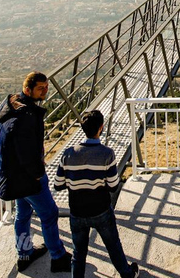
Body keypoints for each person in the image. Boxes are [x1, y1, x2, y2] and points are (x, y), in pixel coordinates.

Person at [0, 71, 72, 273]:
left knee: (23, 212)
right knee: (49, 213)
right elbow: (26, 151)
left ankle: (24, 254)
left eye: (46, 87)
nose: (45, 91)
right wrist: (37, 174)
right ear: (27, 89)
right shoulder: (25, 117)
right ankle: (58, 256)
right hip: (26, 177)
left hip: (12, 175)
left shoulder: (12, 107)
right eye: (40, 88)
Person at [54, 110, 139, 278]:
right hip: (100, 210)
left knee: (79, 253)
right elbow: (114, 186)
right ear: (101, 128)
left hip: (77, 212)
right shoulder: (106, 154)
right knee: (113, 246)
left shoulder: (68, 153)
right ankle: (127, 274)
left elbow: (58, 185)